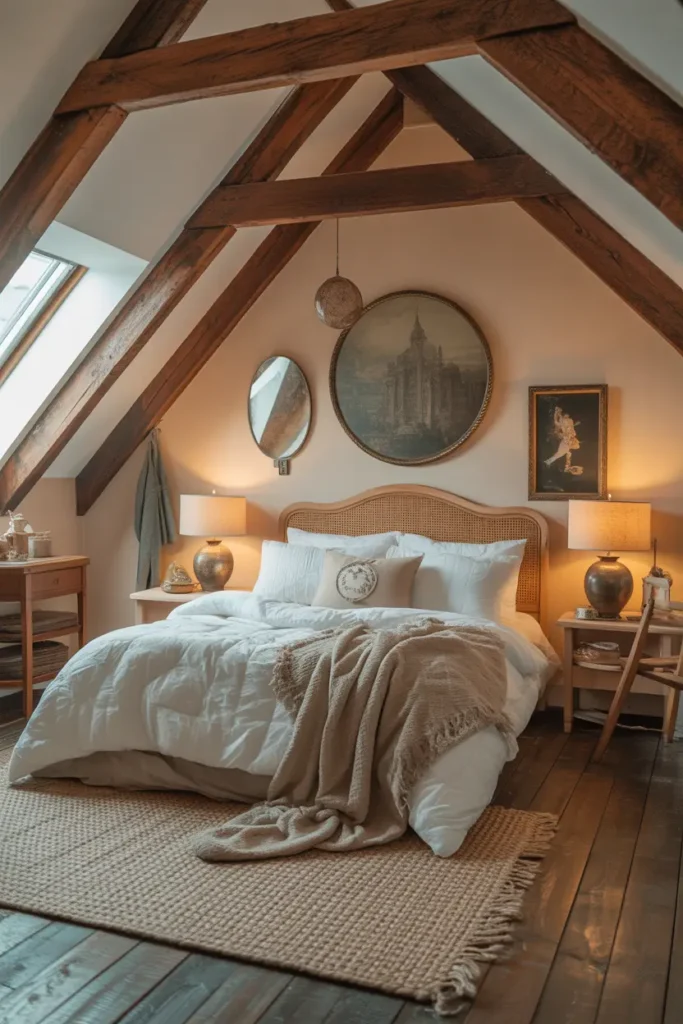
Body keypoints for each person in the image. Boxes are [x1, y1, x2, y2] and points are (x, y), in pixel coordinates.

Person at [544, 405, 583, 475]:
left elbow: (565, 427)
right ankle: (548, 461)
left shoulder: (568, 422)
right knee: (562, 452)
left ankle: (549, 461)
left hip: (567, 439)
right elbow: (559, 424)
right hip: (567, 440)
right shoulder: (564, 422)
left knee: (563, 452)